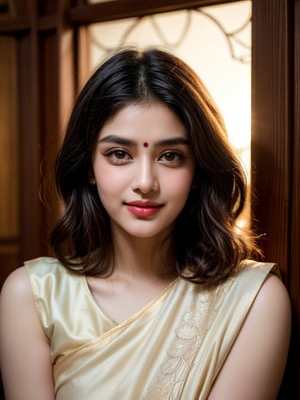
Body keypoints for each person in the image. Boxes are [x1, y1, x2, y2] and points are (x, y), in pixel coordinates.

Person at [0, 47, 291, 400]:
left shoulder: (253, 299)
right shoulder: (33, 295)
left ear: (198, 168)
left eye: (170, 156)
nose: (145, 182)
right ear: (89, 166)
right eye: (119, 154)